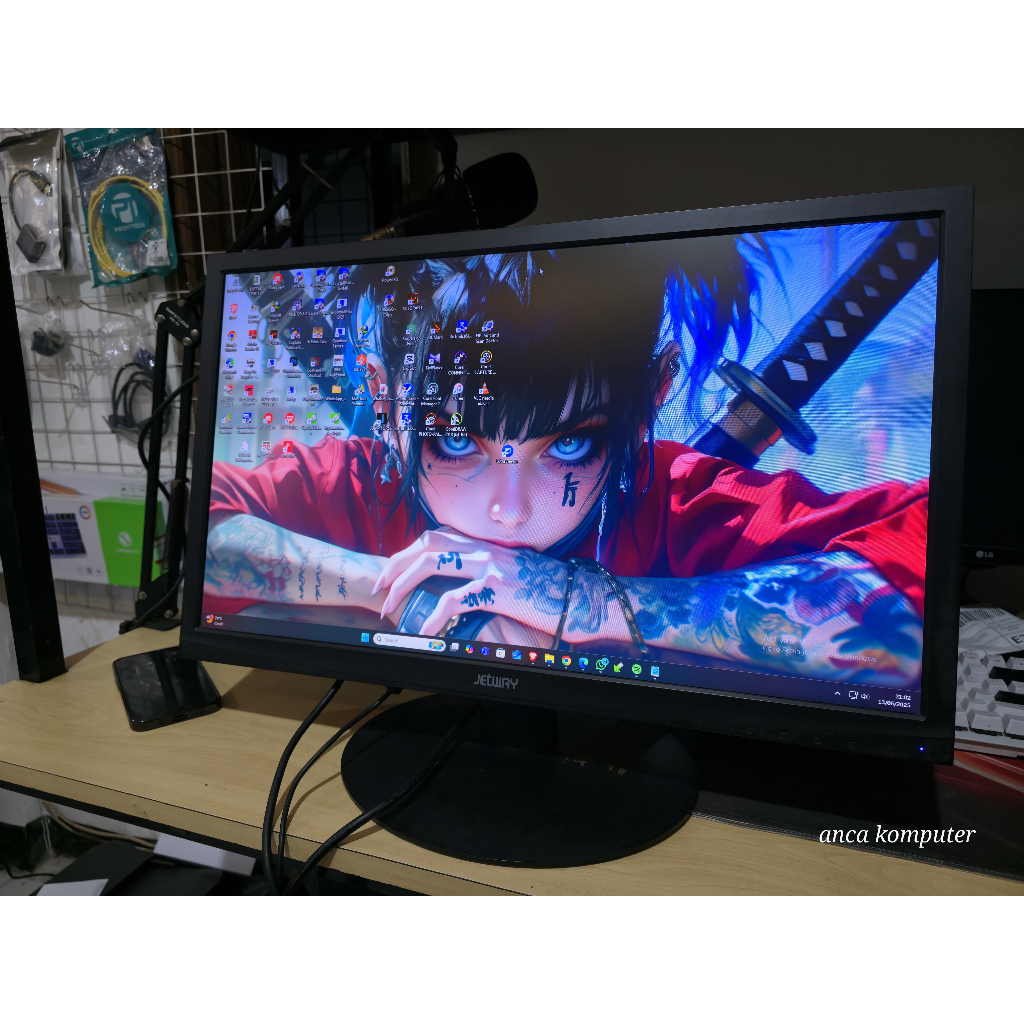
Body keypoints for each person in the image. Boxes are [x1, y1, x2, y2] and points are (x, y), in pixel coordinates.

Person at [204, 241, 927, 686]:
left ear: (650, 400)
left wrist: (582, 604)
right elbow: (196, 535)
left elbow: (910, 601)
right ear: (385, 400)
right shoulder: (360, 484)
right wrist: (403, 589)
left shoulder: (679, 502)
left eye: (570, 444)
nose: (509, 509)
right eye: (454, 442)